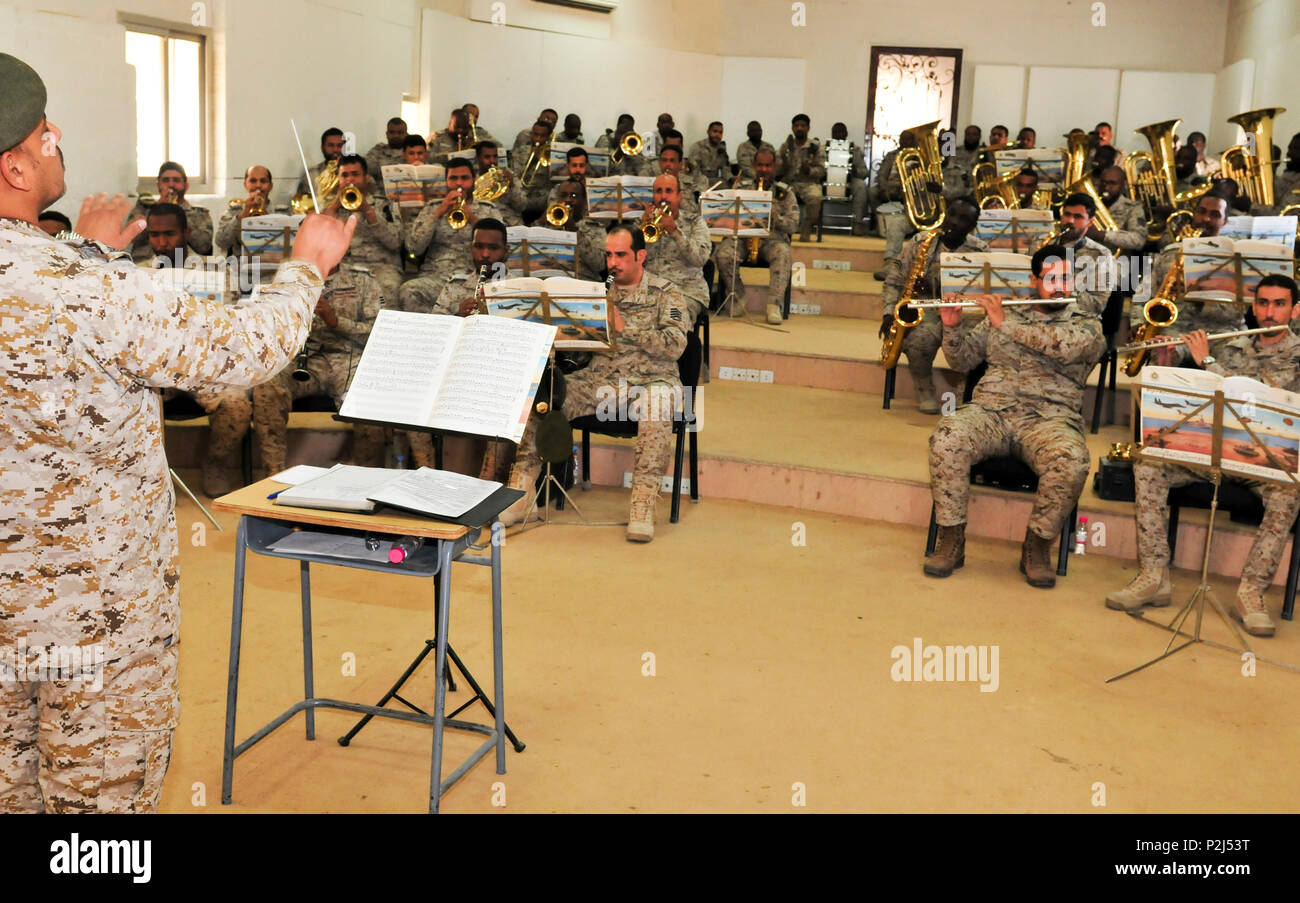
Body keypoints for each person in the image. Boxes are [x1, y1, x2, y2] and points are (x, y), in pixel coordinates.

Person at [0, 51, 354, 814]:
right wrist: (306, 267)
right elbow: (241, 354)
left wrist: (91, 253)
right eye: (40, 133)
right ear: (17, 171)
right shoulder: (94, 291)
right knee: (100, 820)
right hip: (96, 623)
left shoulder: (83, 278)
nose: (54, 135)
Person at [1106, 275, 1300, 636]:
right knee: (1149, 462)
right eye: (1262, 304)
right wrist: (1168, 359)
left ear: (1295, 309)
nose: (1269, 313)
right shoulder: (1233, 344)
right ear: (1253, 307)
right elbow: (1194, 393)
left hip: (1265, 462)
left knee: (1290, 493)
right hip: (1211, 452)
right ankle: (1154, 575)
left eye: (1279, 304)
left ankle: (1251, 592)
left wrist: (1207, 362)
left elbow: (1257, 401)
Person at [924, 245, 1103, 588]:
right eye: (1052, 279)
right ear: (1034, 280)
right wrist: (952, 327)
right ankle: (951, 538)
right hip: (991, 411)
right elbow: (961, 362)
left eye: (1066, 277)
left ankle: (1037, 545)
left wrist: (1004, 324)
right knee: (948, 436)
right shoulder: (1005, 312)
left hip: (1049, 420)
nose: (1060, 285)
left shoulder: (1086, 323)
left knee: (1073, 460)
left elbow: (1062, 348)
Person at [499, 225, 688, 541]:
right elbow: (584, 347)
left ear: (640, 256)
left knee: (657, 404)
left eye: (621, 255)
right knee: (543, 396)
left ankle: (642, 505)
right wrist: (560, 336)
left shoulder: (666, 293)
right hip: (600, 382)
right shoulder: (595, 294)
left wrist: (626, 328)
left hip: (652, 381)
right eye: (609, 254)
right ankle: (521, 493)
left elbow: (675, 345)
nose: (613, 262)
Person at [252, 266, 386, 476]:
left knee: (369, 393)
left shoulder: (363, 280)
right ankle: (273, 472)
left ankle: (364, 474)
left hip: (348, 358)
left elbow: (379, 331)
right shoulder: (283, 280)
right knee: (268, 384)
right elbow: (263, 332)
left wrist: (335, 321)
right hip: (304, 360)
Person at [879, 196, 985, 413]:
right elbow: (893, 281)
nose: (954, 222)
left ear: (973, 226)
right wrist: (889, 313)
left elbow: (984, 293)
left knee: (976, 344)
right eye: (952, 215)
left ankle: (965, 392)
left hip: (964, 313)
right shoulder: (920, 242)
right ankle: (924, 387)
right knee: (920, 340)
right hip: (926, 310)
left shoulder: (981, 250)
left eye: (963, 219)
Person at [1135, 194, 1237, 362]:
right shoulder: (1170, 252)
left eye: (1215, 215)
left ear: (1225, 221)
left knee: (1234, 355)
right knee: (1162, 351)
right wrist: (1137, 321)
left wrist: (1199, 297)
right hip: (1175, 332)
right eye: (1202, 212)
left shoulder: (1234, 258)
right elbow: (1143, 291)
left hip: (1220, 334)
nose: (1205, 218)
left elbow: (1236, 314)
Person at [400, 158, 503, 311]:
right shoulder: (432, 208)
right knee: (409, 290)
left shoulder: (488, 209)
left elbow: (500, 247)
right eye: (453, 178)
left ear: (473, 179)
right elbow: (414, 247)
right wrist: (439, 212)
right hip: (437, 278)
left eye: (464, 178)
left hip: (473, 279)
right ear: (446, 181)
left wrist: (472, 218)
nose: (459, 183)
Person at [713, 149, 799, 325]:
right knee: (723, 254)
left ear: (774, 166)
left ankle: (774, 305)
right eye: (760, 165)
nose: (764, 169)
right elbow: (727, 216)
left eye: (768, 165)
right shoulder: (741, 189)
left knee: (783, 253)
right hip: (744, 239)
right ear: (754, 165)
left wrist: (776, 217)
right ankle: (738, 297)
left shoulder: (785, 192)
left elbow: (793, 225)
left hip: (772, 240)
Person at [324, 154, 404, 305]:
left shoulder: (385, 205)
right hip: (345, 267)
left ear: (366, 177)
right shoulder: (332, 209)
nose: (350, 180)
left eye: (355, 174)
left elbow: (395, 242)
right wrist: (335, 204)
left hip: (380, 267)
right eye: (344, 175)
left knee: (389, 288)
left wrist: (367, 210)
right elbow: (317, 239)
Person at [643, 172, 710, 326]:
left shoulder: (695, 222)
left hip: (685, 293)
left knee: (672, 323)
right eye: (658, 191)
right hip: (650, 290)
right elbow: (630, 262)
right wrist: (639, 233)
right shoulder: (646, 222)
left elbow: (700, 258)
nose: (663, 196)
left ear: (679, 196)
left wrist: (675, 231)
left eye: (669, 191)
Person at [128, 161, 213, 262]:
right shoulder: (144, 208)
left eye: (176, 180)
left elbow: (203, 247)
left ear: (186, 186)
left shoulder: (199, 214)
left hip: (182, 267)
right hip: (144, 265)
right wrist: (155, 211)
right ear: (158, 184)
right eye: (165, 180)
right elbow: (131, 238)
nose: (171, 184)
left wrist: (177, 213)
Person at [1052, 191, 1114, 317]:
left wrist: (1072, 285)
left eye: (1078, 217)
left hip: (1077, 318)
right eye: (1067, 214)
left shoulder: (1101, 255)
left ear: (1090, 222)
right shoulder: (1042, 244)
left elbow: (1097, 306)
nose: (1070, 220)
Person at [215, 164, 274, 274]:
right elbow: (221, 242)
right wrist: (243, 215)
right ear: (245, 185)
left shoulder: (280, 213)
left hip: (272, 275)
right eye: (253, 181)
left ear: (270, 186)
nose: (258, 185)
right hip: (240, 273)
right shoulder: (233, 212)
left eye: (263, 181)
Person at [872, 130, 915, 279]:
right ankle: (891, 264)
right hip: (897, 195)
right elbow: (882, 175)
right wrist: (884, 189)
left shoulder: (921, 158)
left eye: (910, 140)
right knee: (896, 223)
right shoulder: (892, 156)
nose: (907, 143)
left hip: (921, 207)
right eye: (904, 140)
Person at [777, 113, 826, 242]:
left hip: (809, 183)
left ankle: (806, 229)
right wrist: (783, 159)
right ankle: (782, 231)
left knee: (815, 198)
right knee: (775, 195)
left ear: (808, 128)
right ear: (792, 128)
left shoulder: (815, 147)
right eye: (796, 125)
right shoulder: (786, 146)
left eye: (803, 125)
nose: (799, 128)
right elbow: (778, 171)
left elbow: (821, 171)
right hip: (789, 182)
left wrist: (809, 170)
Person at [1090, 166, 1148, 252]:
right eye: (1103, 182)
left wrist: (1103, 235)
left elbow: (1138, 240)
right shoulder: (1089, 205)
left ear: (1122, 185)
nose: (1106, 188)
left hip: (1116, 261)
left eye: (1112, 183)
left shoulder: (1133, 207)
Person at [511, 119, 555, 223]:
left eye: (542, 136)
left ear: (548, 137)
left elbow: (555, 180)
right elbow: (515, 176)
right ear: (531, 134)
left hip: (543, 202)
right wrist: (531, 161)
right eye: (536, 134)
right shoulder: (520, 151)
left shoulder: (553, 154)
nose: (538, 139)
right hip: (523, 199)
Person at [475, 140, 526, 226]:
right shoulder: (472, 179)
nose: (492, 161)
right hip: (486, 225)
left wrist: (512, 185)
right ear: (478, 158)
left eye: (495, 156)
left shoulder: (508, 175)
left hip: (511, 224)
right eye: (487, 157)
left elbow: (522, 206)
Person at [366, 117, 408, 197]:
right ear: (387, 134)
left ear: (406, 134)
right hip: (380, 197)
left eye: (400, 132)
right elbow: (365, 170)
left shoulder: (413, 153)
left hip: (407, 197)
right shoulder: (377, 151)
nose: (396, 136)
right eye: (392, 132)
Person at [296, 127, 345, 196]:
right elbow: (302, 203)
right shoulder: (311, 175)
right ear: (322, 148)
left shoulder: (354, 173)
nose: (335, 150)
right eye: (331, 145)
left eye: (339, 146)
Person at [689, 121, 729, 185]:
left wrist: (731, 178)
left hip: (714, 181)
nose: (717, 135)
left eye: (720, 132)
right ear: (708, 132)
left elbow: (725, 169)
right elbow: (695, 172)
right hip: (699, 181)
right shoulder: (698, 147)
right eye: (715, 131)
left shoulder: (721, 148)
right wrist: (706, 182)